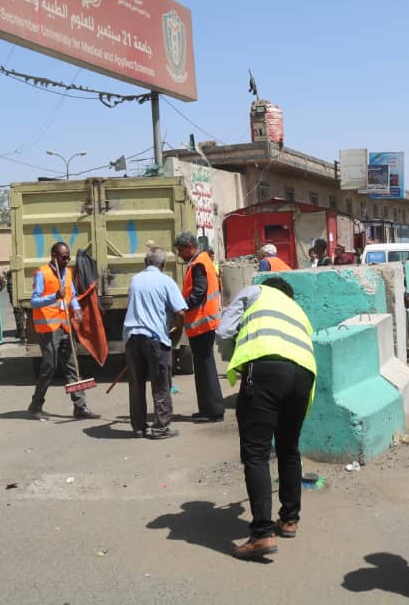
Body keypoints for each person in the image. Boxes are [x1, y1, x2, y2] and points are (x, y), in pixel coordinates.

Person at [216, 276, 316, 560]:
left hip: (265, 370)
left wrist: (234, 358)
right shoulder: (298, 311)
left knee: (257, 454)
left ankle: (261, 534)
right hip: (304, 375)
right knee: (288, 448)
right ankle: (289, 519)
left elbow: (224, 332)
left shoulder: (255, 291)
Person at [27, 242, 99, 421]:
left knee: (72, 366)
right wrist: (53, 296)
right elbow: (34, 301)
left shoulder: (67, 273)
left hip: (64, 325)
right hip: (48, 328)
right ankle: (35, 405)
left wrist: (76, 309)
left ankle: (80, 407)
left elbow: (72, 295)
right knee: (49, 366)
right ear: (53, 256)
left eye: (68, 257)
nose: (67, 261)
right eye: (63, 257)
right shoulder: (42, 273)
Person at [123, 248, 187, 439]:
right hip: (154, 339)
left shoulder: (135, 280)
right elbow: (181, 312)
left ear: (145, 262)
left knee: (137, 385)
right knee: (160, 383)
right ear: (163, 264)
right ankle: (160, 428)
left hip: (132, 337)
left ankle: (139, 427)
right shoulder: (166, 281)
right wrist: (177, 334)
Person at [174, 231, 225, 422]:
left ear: (189, 247)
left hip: (203, 322)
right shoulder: (200, 261)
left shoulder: (198, 264)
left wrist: (181, 306)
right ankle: (206, 409)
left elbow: (198, 293)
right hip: (202, 322)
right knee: (203, 367)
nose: (179, 254)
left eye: (180, 250)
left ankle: (214, 411)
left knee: (206, 367)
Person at [5, 269, 28, 344]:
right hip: (19, 296)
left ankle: (22, 335)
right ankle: (21, 333)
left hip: (16, 298)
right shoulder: (16, 274)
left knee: (18, 315)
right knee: (20, 315)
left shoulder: (10, 275)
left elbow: (9, 290)